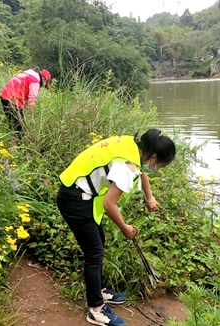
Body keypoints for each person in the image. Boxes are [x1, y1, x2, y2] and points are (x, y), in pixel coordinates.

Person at [57, 129, 176, 326]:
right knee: (94, 252)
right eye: (160, 165)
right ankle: (96, 310)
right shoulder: (127, 166)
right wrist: (124, 228)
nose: (158, 169)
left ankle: (101, 291)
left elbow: (142, 170)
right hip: (74, 199)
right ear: (154, 157)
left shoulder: (132, 147)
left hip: (81, 193)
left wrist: (150, 197)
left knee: (98, 243)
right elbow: (109, 203)